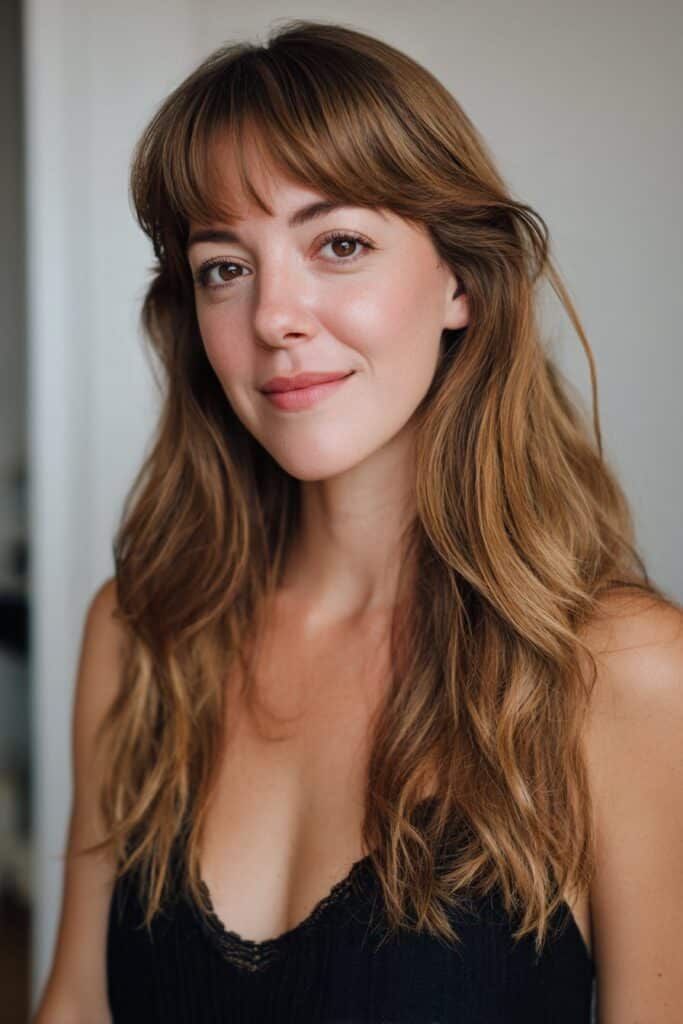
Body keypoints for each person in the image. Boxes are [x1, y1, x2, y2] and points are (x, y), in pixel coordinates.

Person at [33, 18, 683, 1024]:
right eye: (224, 265)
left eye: (338, 244)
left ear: (460, 282)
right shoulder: (139, 632)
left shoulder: (618, 672)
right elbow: (74, 1005)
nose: (273, 317)